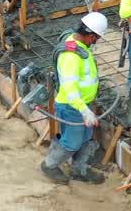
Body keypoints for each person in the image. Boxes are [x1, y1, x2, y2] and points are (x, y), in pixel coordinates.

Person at [41, 11, 109, 184]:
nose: (96, 42)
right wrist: (84, 111)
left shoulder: (79, 45)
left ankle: (79, 169)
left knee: (85, 138)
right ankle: (50, 165)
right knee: (72, 141)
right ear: (92, 36)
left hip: (83, 104)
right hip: (72, 106)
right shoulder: (70, 56)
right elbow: (69, 88)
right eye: (97, 38)